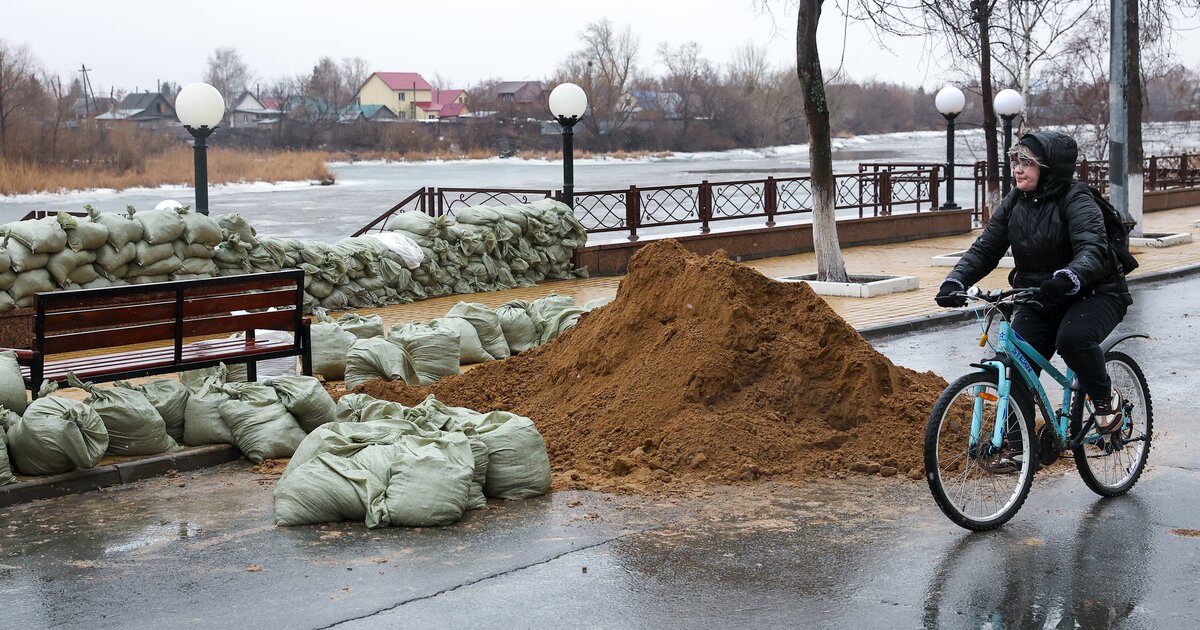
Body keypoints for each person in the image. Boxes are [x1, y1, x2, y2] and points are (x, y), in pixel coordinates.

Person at [934, 130, 1132, 431]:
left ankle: (1105, 398)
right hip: (1040, 296)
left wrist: (1069, 276)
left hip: (1095, 292)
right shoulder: (1015, 201)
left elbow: (1092, 248)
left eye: (1027, 162)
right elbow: (986, 248)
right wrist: (955, 280)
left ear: (1048, 168)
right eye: (1016, 161)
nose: (1017, 169)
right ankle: (1019, 450)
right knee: (1013, 367)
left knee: (1073, 339)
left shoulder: (1076, 199)